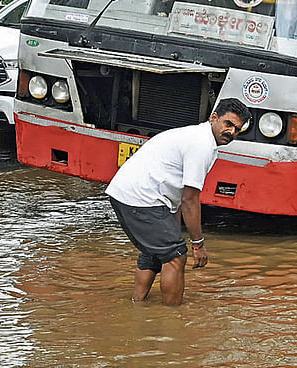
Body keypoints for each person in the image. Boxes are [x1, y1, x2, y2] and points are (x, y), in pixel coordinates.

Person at [105, 97, 252, 306]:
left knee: (157, 251)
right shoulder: (201, 144)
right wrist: (198, 244)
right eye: (228, 124)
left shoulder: (198, 136)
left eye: (237, 129)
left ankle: (136, 304)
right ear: (214, 118)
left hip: (129, 193)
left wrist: (174, 230)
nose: (231, 132)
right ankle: (172, 319)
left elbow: (176, 196)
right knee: (176, 255)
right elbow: (190, 199)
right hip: (140, 197)